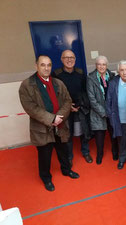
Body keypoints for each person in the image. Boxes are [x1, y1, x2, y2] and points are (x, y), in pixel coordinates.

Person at [19, 55, 79, 192]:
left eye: (49, 65)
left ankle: (66, 170)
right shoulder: (27, 85)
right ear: (36, 66)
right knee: (45, 155)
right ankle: (46, 178)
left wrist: (60, 117)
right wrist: (51, 118)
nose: (46, 68)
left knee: (63, 151)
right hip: (42, 128)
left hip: (60, 125)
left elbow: (67, 101)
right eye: (43, 65)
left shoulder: (58, 83)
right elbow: (30, 107)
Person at [53, 50, 92, 166]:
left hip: (80, 107)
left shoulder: (80, 73)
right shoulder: (56, 74)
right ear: (61, 59)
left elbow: (85, 91)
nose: (69, 60)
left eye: (72, 57)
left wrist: (80, 104)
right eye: (66, 57)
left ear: (75, 59)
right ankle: (69, 156)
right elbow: (55, 94)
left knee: (85, 131)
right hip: (65, 109)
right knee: (68, 134)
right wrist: (67, 106)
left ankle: (85, 152)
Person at [87, 55, 117, 164]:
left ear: (107, 65)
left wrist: (111, 111)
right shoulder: (90, 78)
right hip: (98, 113)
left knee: (113, 133)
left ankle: (115, 151)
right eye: (99, 64)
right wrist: (104, 113)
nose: (101, 66)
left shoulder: (113, 76)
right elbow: (92, 99)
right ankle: (99, 154)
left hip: (112, 111)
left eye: (104, 64)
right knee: (99, 136)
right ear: (96, 65)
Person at [106, 61, 126, 169]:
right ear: (118, 71)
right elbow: (108, 100)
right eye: (122, 70)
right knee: (122, 140)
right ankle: (122, 158)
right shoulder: (113, 83)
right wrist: (110, 115)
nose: (124, 72)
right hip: (120, 117)